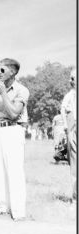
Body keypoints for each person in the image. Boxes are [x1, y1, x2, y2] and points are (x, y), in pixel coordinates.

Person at [0, 58, 30, 221]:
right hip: (0, 130)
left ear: (12, 72)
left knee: (14, 170)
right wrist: (7, 111)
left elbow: (15, 114)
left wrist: (4, 95)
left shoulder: (21, 90)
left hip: (14, 130)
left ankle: (18, 211)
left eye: (2, 70)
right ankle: (3, 208)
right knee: (0, 170)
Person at [61, 67, 76, 201]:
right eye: (70, 78)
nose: (70, 81)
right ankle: (75, 197)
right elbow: (63, 109)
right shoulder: (69, 96)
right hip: (73, 128)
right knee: (74, 163)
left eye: (73, 78)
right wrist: (66, 124)